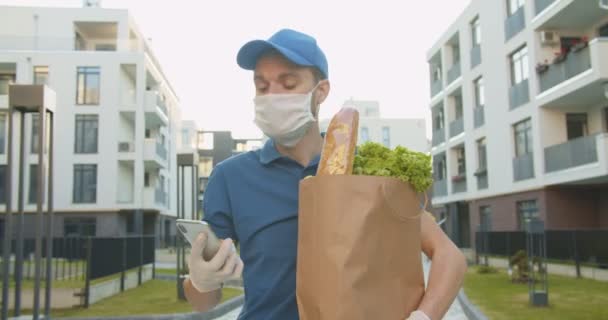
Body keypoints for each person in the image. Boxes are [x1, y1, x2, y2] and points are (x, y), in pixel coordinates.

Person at [183, 28, 467, 320]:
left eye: (288, 83)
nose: (272, 96)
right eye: (262, 86)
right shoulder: (231, 178)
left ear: (321, 91)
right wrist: (200, 280)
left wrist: (423, 316)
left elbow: (449, 256)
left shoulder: (365, 173)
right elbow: (204, 302)